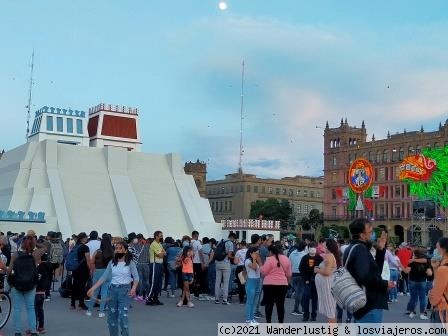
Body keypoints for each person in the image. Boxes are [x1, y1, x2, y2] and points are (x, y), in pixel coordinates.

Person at [344, 218, 394, 323]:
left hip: (362, 303)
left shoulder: (354, 248)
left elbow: (375, 273)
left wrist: (380, 251)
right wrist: (384, 284)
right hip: (368, 305)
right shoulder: (360, 250)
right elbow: (365, 277)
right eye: (370, 232)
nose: (373, 235)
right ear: (362, 235)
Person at [87, 241, 139, 336]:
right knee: (111, 318)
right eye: (116, 248)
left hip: (125, 291)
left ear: (125, 250)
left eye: (120, 248)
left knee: (123, 317)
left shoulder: (130, 263)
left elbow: (136, 277)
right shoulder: (112, 263)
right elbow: (104, 277)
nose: (118, 250)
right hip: (112, 291)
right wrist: (93, 288)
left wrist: (133, 288)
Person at [8, 235, 39, 336]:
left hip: (17, 284)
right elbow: (44, 248)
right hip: (31, 285)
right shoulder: (34, 255)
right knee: (30, 308)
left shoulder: (16, 255)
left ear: (21, 243)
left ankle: (17, 332)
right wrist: (34, 243)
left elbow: (9, 271)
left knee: (17, 308)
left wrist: (10, 282)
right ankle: (33, 331)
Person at [260, 243, 292, 324]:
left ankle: (268, 323)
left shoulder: (269, 259)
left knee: (269, 304)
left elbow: (264, 271)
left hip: (269, 284)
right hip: (282, 284)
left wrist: (260, 265)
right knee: (280, 305)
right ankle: (280, 323)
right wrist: (287, 282)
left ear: (271, 251)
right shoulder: (286, 259)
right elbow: (289, 274)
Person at [86, 234, 114, 317]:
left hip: (98, 272)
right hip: (108, 273)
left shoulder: (98, 251)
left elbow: (92, 262)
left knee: (95, 291)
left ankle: (89, 310)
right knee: (104, 292)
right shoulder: (112, 253)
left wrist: (92, 271)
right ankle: (101, 312)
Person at [315, 238, 341, 324]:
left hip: (327, 285)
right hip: (327, 284)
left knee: (330, 310)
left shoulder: (330, 256)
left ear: (329, 247)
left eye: (325, 246)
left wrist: (317, 270)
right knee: (330, 309)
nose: (323, 248)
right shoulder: (330, 256)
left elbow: (327, 272)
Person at [403, 247, 431, 320]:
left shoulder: (412, 262)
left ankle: (412, 312)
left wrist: (400, 266)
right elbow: (429, 273)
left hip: (413, 281)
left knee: (413, 298)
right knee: (422, 298)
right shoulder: (426, 262)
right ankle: (422, 314)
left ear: (415, 254)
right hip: (422, 281)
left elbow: (406, 271)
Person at [299, 242, 323, 322]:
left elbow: (322, 269)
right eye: (311, 247)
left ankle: (314, 315)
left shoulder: (319, 258)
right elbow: (301, 269)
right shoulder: (304, 258)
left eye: (314, 247)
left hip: (316, 282)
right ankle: (306, 315)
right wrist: (305, 279)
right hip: (307, 281)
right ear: (308, 248)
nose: (313, 248)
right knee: (306, 298)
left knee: (315, 299)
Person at [429, 237, 448, 325]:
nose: (436, 250)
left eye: (437, 248)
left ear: (443, 249)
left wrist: (431, 296)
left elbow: (436, 294)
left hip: (443, 309)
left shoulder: (443, 269)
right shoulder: (442, 267)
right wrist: (435, 268)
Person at [70, 232, 91, 310]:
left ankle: (72, 304)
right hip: (83, 269)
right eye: (86, 238)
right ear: (83, 238)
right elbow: (88, 260)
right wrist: (90, 269)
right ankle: (81, 304)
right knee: (82, 286)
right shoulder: (85, 247)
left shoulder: (75, 246)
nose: (87, 239)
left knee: (75, 285)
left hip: (75, 268)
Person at [214, 232, 236, 305]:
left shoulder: (221, 241)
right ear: (232, 237)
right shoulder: (230, 243)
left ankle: (216, 299)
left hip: (217, 263)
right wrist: (234, 257)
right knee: (226, 282)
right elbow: (229, 256)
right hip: (225, 264)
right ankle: (224, 299)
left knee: (218, 281)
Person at [146, 231, 166, 306]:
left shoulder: (159, 244)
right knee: (153, 282)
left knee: (159, 282)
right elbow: (160, 255)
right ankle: (149, 299)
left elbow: (164, 253)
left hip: (160, 264)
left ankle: (155, 298)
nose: (162, 237)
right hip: (155, 264)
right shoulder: (154, 244)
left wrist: (162, 253)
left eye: (162, 235)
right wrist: (162, 253)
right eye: (160, 235)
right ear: (156, 236)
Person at [129, 234, 150, 302]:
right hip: (146, 264)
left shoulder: (135, 246)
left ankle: (140, 295)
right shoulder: (148, 246)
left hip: (138, 264)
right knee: (147, 280)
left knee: (139, 280)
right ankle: (147, 295)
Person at [289, 239, 307, 316]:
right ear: (304, 247)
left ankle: (302, 308)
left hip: (293, 274)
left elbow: (289, 263)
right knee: (300, 293)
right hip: (301, 275)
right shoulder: (305, 255)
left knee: (298, 292)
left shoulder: (292, 253)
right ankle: (296, 309)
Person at [35, 252, 52, 334]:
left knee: (34, 310)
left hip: (37, 290)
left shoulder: (39, 268)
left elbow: (37, 278)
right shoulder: (49, 266)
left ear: (40, 259)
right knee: (40, 309)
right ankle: (41, 327)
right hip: (43, 291)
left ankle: (33, 327)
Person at [244, 246, 261, 325]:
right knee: (250, 301)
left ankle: (252, 318)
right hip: (251, 281)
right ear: (251, 253)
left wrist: (258, 259)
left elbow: (261, 267)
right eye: (255, 253)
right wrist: (254, 258)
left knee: (255, 302)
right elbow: (254, 267)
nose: (257, 255)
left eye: (258, 253)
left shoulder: (256, 260)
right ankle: (248, 319)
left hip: (258, 281)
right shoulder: (247, 261)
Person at [191, 231, 207, 301]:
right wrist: (203, 262)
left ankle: (191, 292)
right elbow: (200, 253)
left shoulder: (189, 242)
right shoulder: (197, 242)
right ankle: (197, 293)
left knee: (192, 277)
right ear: (197, 235)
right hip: (197, 262)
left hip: (191, 263)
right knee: (199, 278)